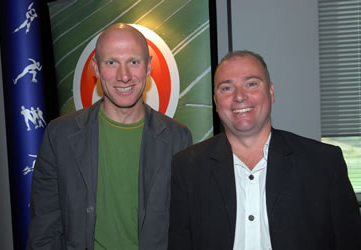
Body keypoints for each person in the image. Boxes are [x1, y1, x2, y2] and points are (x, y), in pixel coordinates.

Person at [168, 50, 361, 250]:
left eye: (251, 84)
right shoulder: (187, 167)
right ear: (216, 103)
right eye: (226, 88)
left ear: (271, 92)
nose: (239, 97)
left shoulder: (324, 163)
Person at [27, 23, 192, 250]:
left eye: (133, 62)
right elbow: (44, 229)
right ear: (96, 67)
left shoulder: (178, 138)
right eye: (111, 63)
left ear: (148, 67)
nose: (124, 76)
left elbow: (186, 229)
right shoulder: (59, 136)